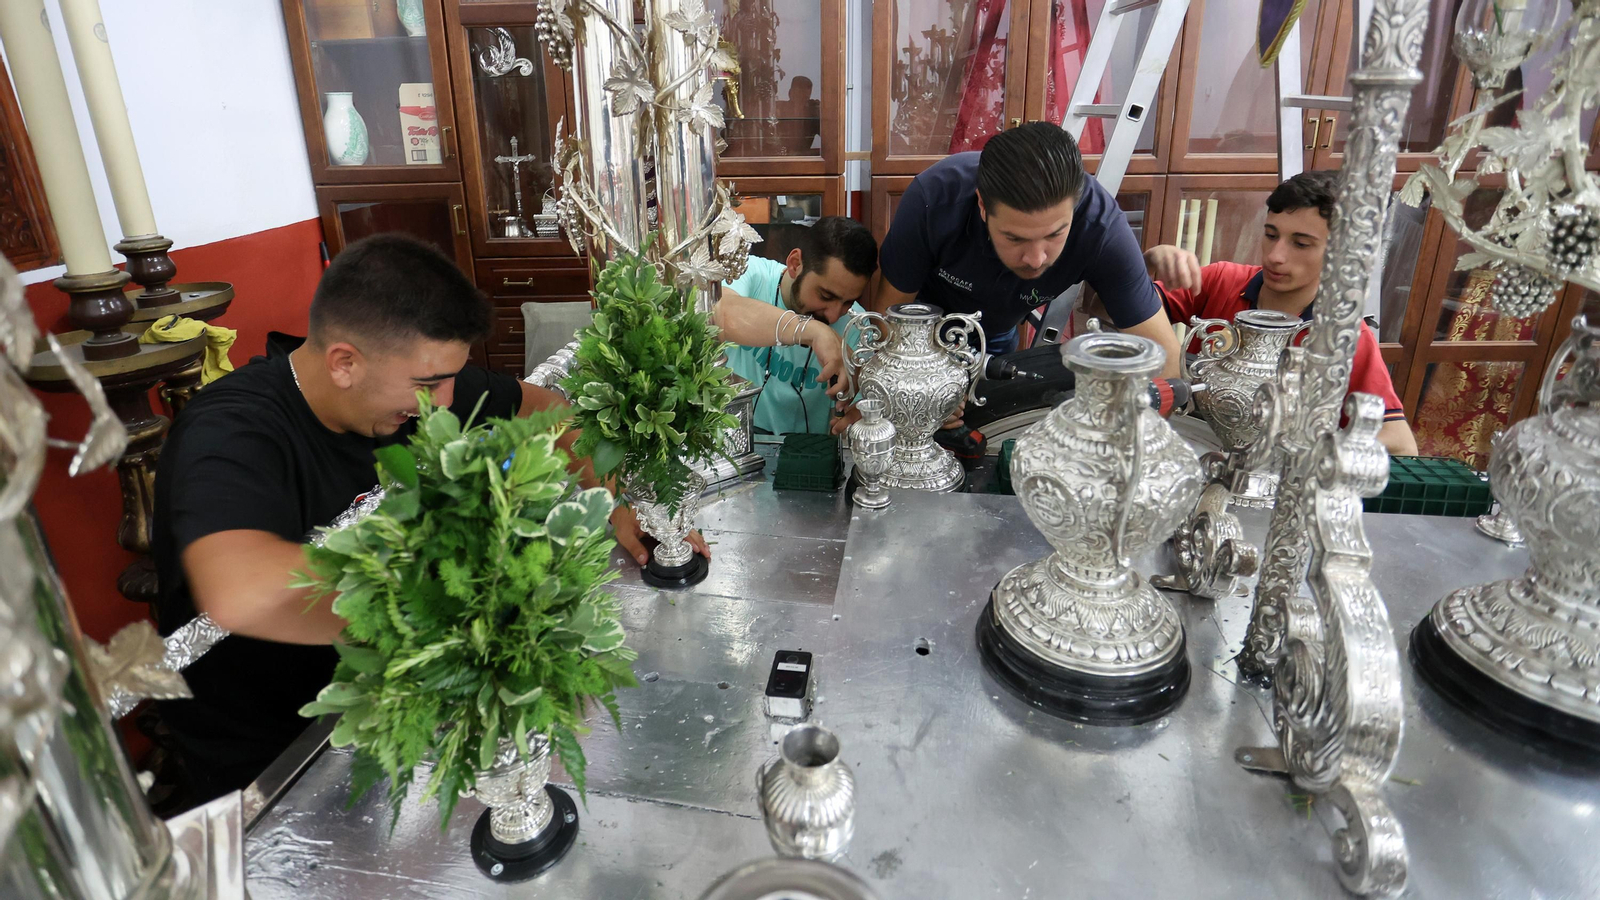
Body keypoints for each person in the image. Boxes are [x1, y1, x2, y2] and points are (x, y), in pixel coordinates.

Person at [150, 234, 707, 804]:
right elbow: (240, 588)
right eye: (427, 384)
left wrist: (616, 503)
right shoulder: (232, 430)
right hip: (268, 760)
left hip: (400, 714)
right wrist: (464, 601)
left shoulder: (419, 383)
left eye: (450, 378)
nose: (443, 401)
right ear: (344, 363)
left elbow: (547, 410)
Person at [1144, 170, 1420, 456]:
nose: (1275, 256)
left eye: (1301, 244)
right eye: (1270, 235)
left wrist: (1307, 452)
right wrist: (1146, 264)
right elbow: (1119, 312)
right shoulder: (1220, 281)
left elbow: (1400, 443)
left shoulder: (1343, 335)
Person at [873, 122, 1180, 375]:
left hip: (997, 331)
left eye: (1055, 234)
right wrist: (920, 379)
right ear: (983, 206)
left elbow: (1164, 361)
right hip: (921, 329)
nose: (1035, 260)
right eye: (1015, 238)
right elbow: (886, 328)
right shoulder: (934, 200)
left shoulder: (1101, 229)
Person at [712, 216, 878, 436]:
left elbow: (860, 411)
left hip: (805, 452)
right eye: (825, 295)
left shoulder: (857, 326)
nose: (833, 315)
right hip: (731, 443)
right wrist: (815, 332)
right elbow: (719, 314)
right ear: (795, 264)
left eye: (848, 302)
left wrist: (858, 416)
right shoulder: (750, 272)